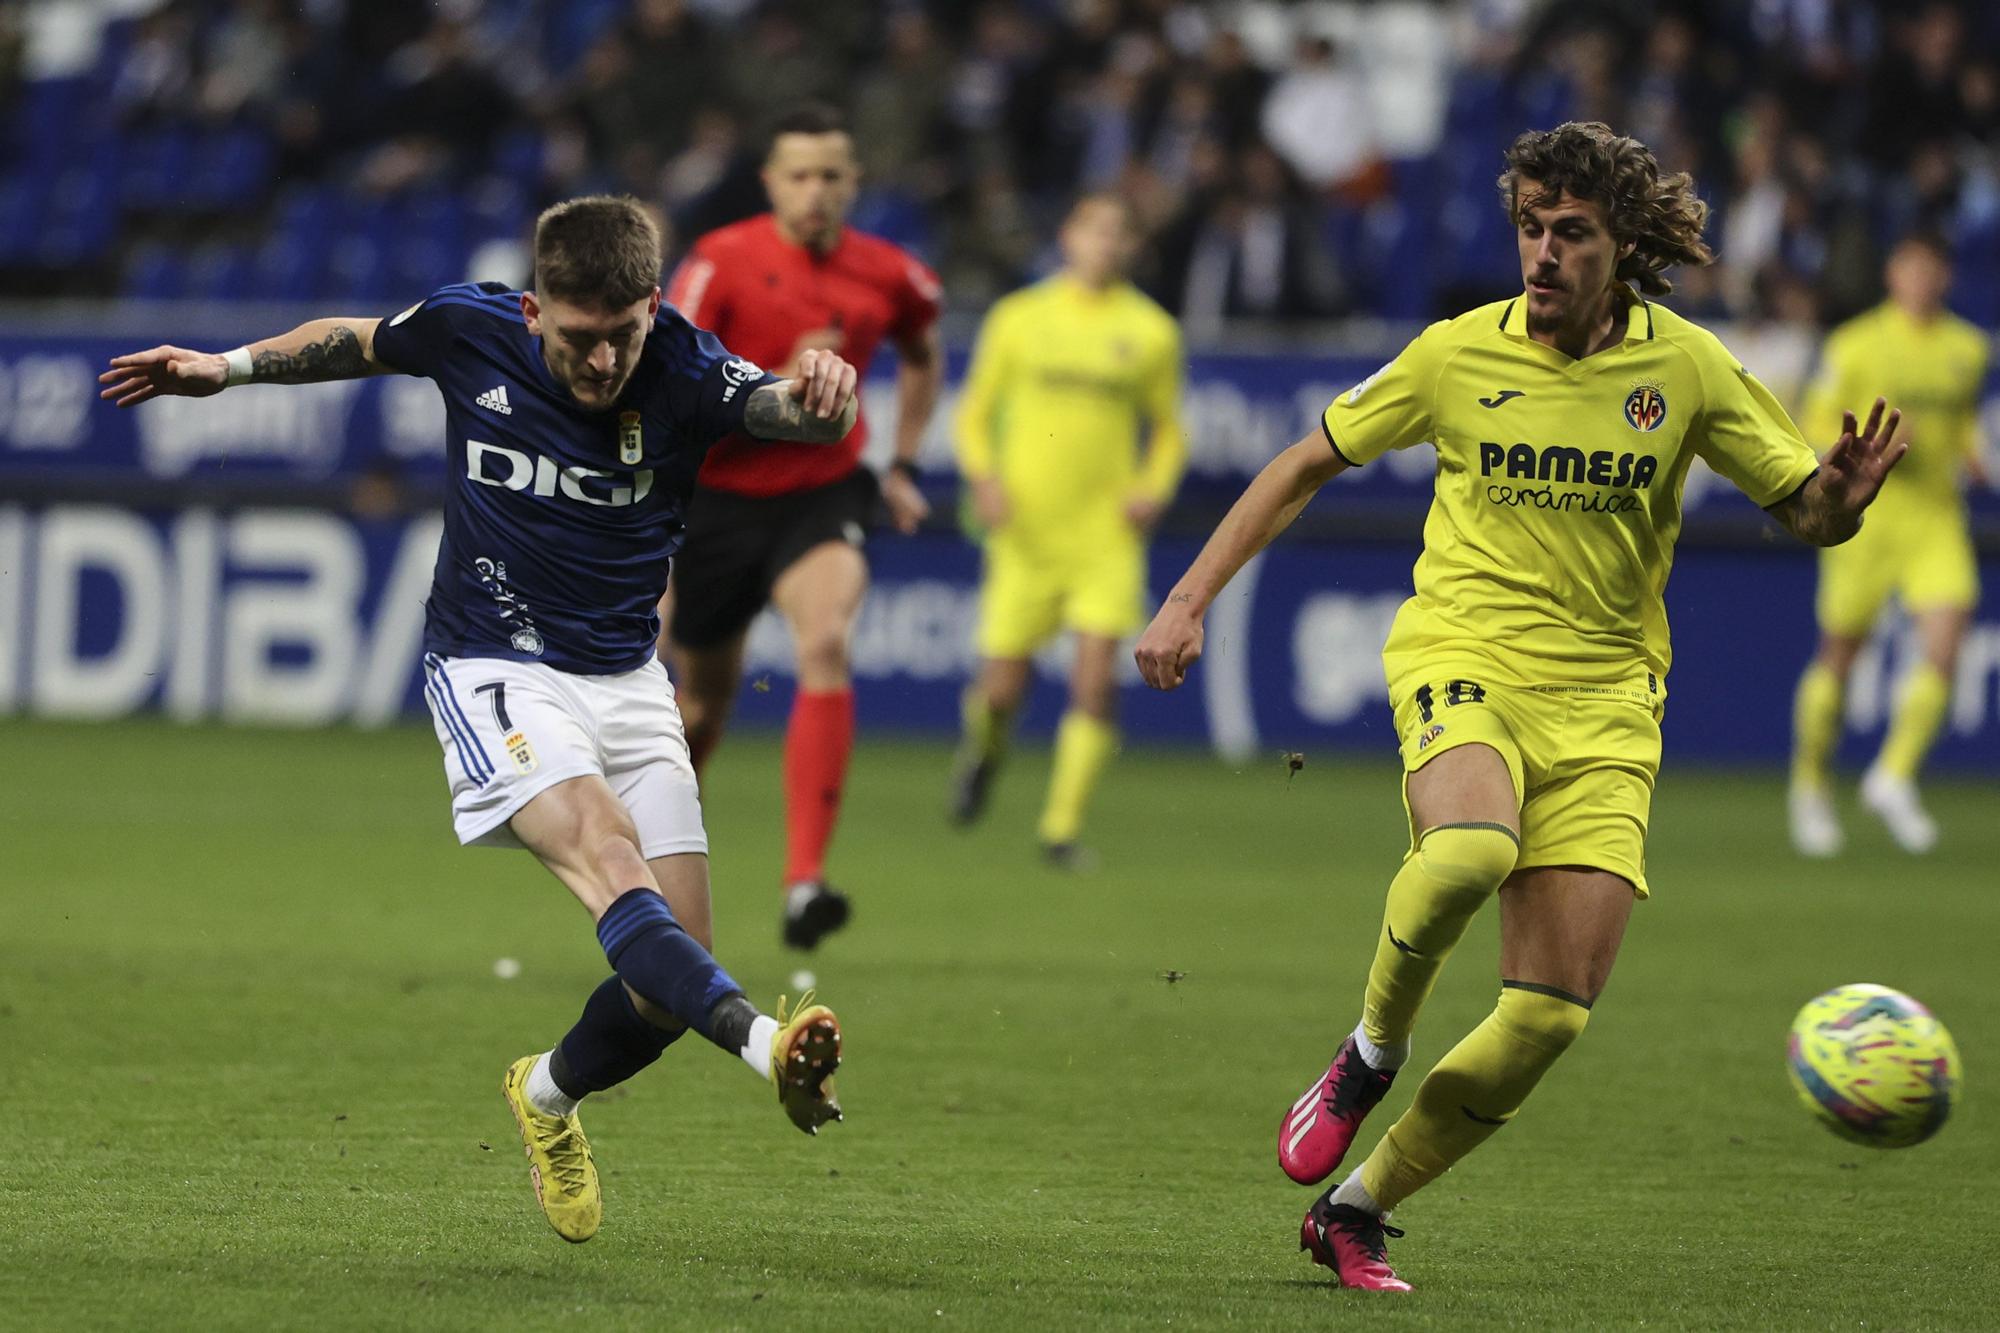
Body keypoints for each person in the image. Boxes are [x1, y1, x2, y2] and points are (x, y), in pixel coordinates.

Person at [1132, 122, 1906, 1292]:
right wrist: (1186, 598)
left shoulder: (1685, 368)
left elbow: (1801, 508)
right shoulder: (1454, 353)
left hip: (1606, 699)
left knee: (1547, 1015)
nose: (1541, 254)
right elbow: (1303, 461)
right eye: (1529, 229)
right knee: (1467, 850)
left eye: (1570, 233)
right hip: (1464, 651)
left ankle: (1356, 1207)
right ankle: (1366, 1051)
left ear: (1621, 242)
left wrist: (1838, 505)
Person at [98, 195, 859, 1246]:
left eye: (621, 337)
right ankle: (769, 1042)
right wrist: (223, 369)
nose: (601, 365)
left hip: (628, 677)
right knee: (607, 854)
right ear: (533, 306)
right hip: (494, 665)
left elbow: (786, 409)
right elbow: (352, 344)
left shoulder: (684, 367)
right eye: (579, 339)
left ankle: (545, 1094)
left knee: (667, 981)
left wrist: (823, 393)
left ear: (651, 306)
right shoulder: (469, 328)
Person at [662, 101, 944, 951]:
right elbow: (669, 368)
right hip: (718, 500)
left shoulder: (890, 272)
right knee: (702, 700)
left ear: (854, 182)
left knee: (825, 640)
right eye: (800, 174)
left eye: (832, 175)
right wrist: (765, 390)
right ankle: (653, 876)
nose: (816, 191)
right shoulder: (720, 261)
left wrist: (900, 463)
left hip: (821, 492)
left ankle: (804, 884)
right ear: (770, 182)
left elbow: (923, 350)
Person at [949, 193, 1186, 866]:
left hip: (1103, 536)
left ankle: (1060, 829)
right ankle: (984, 753)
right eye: (1095, 230)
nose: (1106, 244)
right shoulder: (1019, 318)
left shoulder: (1151, 332)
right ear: (1068, 236)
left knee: (1093, 682)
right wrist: (984, 477)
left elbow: (1169, 429)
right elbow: (973, 415)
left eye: (1119, 233)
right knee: (1000, 690)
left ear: (1131, 247)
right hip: (1025, 532)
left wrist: (1150, 490)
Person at [1788, 232, 1989, 856]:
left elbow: (1962, 433)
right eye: (1910, 269)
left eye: (1931, 270)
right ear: (1892, 276)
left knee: (1946, 643)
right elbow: (1812, 419)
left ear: (1945, 278)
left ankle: (1893, 775)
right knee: (1839, 656)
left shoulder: (1968, 349)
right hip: (1866, 518)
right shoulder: (1855, 344)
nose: (1920, 281)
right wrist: (1856, 451)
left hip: (1935, 518)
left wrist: (1975, 458)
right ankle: (1810, 786)